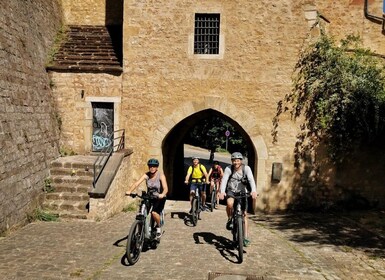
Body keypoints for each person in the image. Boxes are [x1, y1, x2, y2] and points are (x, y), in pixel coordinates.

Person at [219, 152, 258, 247]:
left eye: (237, 160)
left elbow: (251, 180)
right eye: (234, 161)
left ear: (241, 161)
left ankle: (245, 237)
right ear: (232, 161)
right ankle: (229, 219)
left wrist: (253, 191)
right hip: (231, 190)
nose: (236, 162)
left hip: (243, 192)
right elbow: (224, 180)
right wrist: (222, 191)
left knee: (244, 214)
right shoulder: (229, 169)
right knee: (229, 204)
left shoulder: (246, 169)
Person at [126, 158, 168, 238]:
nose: (152, 168)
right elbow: (137, 183)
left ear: (157, 167)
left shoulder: (160, 175)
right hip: (149, 196)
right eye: (150, 166)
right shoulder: (146, 175)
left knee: (154, 213)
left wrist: (162, 194)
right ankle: (141, 230)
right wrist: (129, 190)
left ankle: (158, 226)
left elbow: (165, 188)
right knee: (142, 212)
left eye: (154, 166)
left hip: (159, 197)